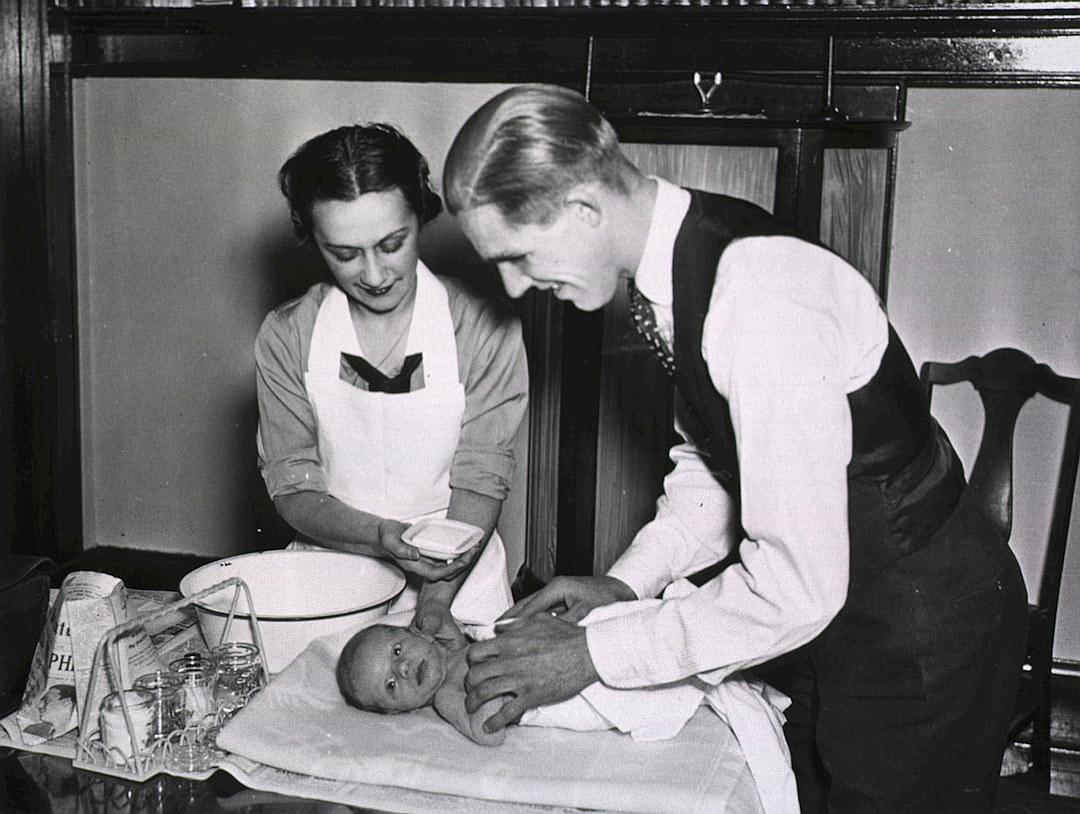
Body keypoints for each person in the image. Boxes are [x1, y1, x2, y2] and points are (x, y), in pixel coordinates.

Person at [442, 84, 1028, 813]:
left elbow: (794, 588)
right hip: (840, 609)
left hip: (921, 625)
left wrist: (593, 654)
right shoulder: (679, 271)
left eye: (519, 256)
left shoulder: (757, 299)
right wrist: (628, 585)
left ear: (583, 210)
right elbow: (716, 465)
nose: (512, 286)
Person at [256, 123, 529, 644]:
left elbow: (481, 479)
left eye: (391, 244)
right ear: (312, 239)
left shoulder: (485, 329)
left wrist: (434, 606)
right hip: (330, 585)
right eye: (345, 253)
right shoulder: (288, 335)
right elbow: (293, 485)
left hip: (459, 590)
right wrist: (382, 537)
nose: (375, 274)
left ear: (419, 217)